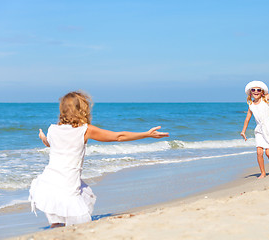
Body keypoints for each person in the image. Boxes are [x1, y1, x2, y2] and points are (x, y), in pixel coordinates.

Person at [29, 91, 169, 228]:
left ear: (62, 110)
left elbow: (50, 143)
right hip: (68, 182)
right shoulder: (85, 130)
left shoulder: (53, 129)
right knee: (75, 217)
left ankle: (55, 230)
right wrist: (145, 134)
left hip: (50, 180)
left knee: (58, 219)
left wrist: (43, 138)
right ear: (82, 110)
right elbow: (118, 136)